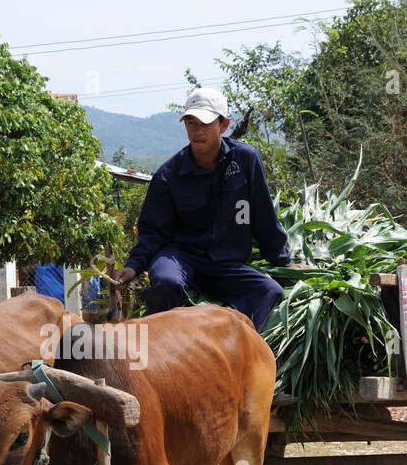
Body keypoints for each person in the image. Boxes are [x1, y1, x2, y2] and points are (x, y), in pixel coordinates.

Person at [111, 87, 296, 330]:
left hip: (227, 264)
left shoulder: (245, 159)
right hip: (181, 257)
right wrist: (134, 266)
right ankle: (165, 342)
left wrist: (285, 263)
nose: (197, 131)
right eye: (191, 122)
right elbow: (152, 232)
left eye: (205, 124)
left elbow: (263, 217)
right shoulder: (168, 175)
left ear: (224, 125)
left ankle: (247, 347)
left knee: (269, 291)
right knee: (167, 281)